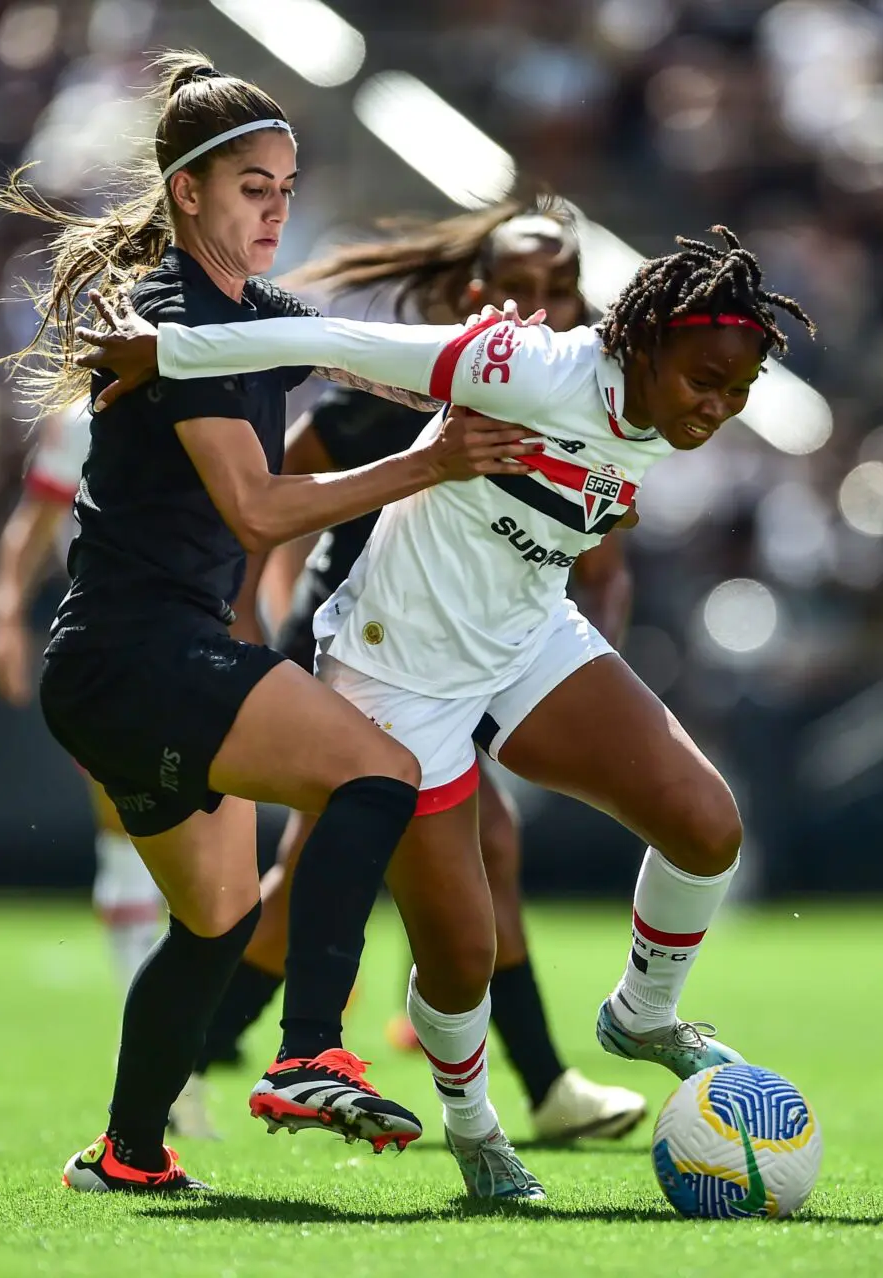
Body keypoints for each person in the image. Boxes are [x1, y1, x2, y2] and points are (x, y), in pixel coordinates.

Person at [78, 225, 815, 1199]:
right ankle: (475, 1133)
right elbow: (340, 343)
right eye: (703, 381)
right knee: (461, 958)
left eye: (736, 392)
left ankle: (642, 1015)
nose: (716, 407)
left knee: (707, 825)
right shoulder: (522, 364)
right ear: (639, 345)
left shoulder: (653, 414)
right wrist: (167, 351)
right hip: (397, 674)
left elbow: (583, 504)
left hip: (526, 637)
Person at [0, 50, 543, 1195]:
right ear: (188, 192)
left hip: (115, 669)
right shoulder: (177, 315)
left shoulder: (246, 314)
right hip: (143, 652)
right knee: (377, 775)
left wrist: (487, 361)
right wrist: (427, 464)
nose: (276, 208)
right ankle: (310, 1051)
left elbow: (362, 358)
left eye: (284, 186)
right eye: (251, 188)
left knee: (218, 923)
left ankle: (124, 1155)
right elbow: (258, 509)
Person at [190, 200, 647, 1145]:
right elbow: (273, 507)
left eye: (556, 289)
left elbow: (601, 569)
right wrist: (259, 619)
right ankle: (189, 1061)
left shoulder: (583, 410)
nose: (538, 305)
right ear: (473, 297)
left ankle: (193, 1061)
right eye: (515, 289)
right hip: (362, 655)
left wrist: (562, 673)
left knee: (454, 859)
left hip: (474, 662)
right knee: (348, 873)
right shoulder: (380, 400)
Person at [0, 400, 217, 1140]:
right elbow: (36, 521)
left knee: (205, 854)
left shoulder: (230, 379)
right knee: (129, 835)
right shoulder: (84, 418)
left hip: (212, 632)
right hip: (119, 644)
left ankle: (222, 1039)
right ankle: (160, 1061)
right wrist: (4, 613)